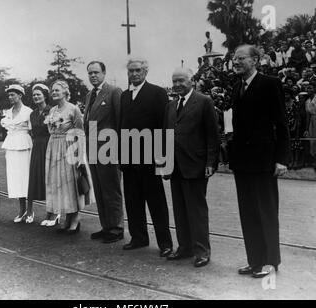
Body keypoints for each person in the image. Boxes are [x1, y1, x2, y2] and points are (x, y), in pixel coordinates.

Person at [230, 45, 290, 278]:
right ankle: (254, 260)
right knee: (248, 212)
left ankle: (270, 262)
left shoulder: (270, 83)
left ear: (255, 60)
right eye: (235, 58)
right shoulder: (237, 87)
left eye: (241, 58)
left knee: (266, 211)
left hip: (264, 162)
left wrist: (282, 159)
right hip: (242, 163)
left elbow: (281, 123)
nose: (236, 62)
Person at [163, 68, 219, 267]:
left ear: (192, 81)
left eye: (181, 80)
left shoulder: (204, 101)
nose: (177, 84)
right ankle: (184, 247)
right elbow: (166, 137)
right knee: (179, 208)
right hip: (175, 166)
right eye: (174, 81)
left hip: (195, 165)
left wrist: (211, 163)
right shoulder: (170, 106)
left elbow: (213, 135)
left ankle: (202, 251)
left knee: (197, 210)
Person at [119, 57, 173, 257]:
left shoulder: (157, 93)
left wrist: (163, 159)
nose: (134, 74)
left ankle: (165, 243)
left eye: (138, 70)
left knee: (156, 201)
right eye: (131, 71)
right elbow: (121, 127)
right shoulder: (125, 96)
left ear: (145, 72)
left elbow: (163, 126)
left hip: (150, 158)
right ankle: (139, 237)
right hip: (129, 157)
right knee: (132, 200)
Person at [44, 80, 95, 233]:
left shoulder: (73, 109)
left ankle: (75, 219)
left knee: (70, 184)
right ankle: (67, 218)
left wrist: (79, 157)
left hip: (69, 148)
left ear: (65, 92)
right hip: (54, 148)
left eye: (57, 90)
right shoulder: (52, 110)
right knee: (58, 184)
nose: (53, 93)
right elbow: (50, 130)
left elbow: (80, 133)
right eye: (52, 90)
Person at [83, 61, 124, 243]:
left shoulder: (114, 92)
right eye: (90, 73)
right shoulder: (88, 95)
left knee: (111, 188)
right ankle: (106, 225)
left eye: (96, 72)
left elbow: (120, 121)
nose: (93, 76)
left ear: (104, 73)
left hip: (109, 149)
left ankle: (116, 227)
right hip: (92, 149)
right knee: (99, 188)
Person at [1, 85, 33, 223]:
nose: (10, 97)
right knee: (15, 177)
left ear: (20, 95)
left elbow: (32, 131)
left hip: (25, 145)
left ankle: (30, 209)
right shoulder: (8, 112)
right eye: (9, 95)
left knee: (27, 176)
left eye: (13, 94)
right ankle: (22, 209)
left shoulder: (28, 111)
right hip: (11, 145)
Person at [26, 84, 51, 224]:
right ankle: (30, 211)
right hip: (37, 146)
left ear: (45, 95)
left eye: (38, 94)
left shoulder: (52, 111)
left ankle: (52, 212)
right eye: (34, 95)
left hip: (49, 145)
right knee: (34, 176)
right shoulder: (32, 114)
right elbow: (32, 132)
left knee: (49, 177)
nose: (36, 97)